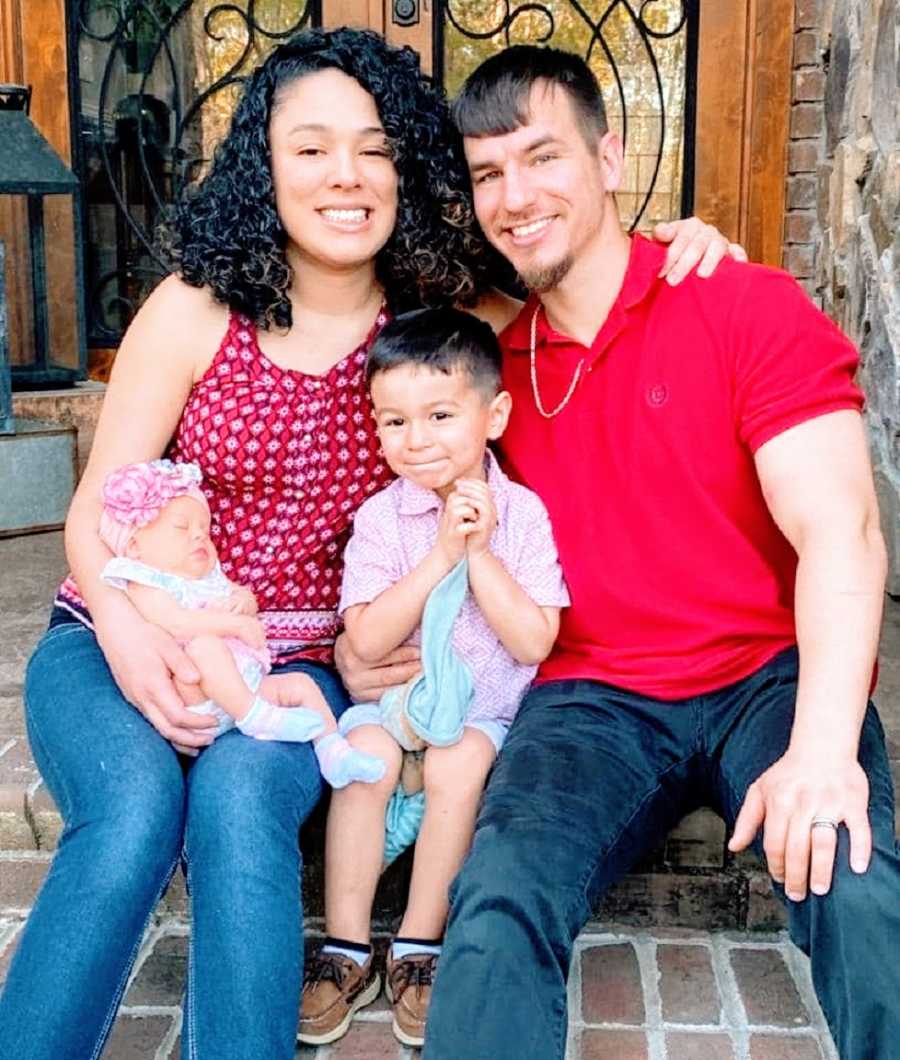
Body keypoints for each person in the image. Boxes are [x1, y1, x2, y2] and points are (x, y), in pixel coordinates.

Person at [0, 25, 739, 1060]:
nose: (346, 176)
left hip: (303, 673)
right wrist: (129, 638)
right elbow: (93, 512)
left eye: (377, 147)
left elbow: (580, 276)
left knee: (239, 813)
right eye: (311, 148)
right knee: (127, 818)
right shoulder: (193, 309)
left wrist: (683, 242)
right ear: (266, 163)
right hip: (120, 630)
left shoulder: (436, 325)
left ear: (408, 168)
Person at [333, 46, 900, 1060]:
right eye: (490, 172)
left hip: (767, 676)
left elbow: (844, 529)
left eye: (543, 156)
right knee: (497, 895)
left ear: (610, 157)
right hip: (590, 694)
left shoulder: (743, 303)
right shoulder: (486, 366)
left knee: (850, 875)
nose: (516, 195)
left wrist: (821, 750)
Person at [299, 307, 569, 1048]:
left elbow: (534, 638)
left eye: (440, 414)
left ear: (494, 414)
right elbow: (367, 633)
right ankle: (347, 947)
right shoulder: (382, 520)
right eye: (392, 422)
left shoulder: (522, 516)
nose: (414, 441)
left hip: (476, 715)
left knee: (462, 760)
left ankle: (419, 946)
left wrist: (479, 554)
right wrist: (438, 558)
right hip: (391, 709)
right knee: (364, 762)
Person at [97, 458, 385, 785]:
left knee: (301, 686)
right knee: (205, 647)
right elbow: (177, 624)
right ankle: (255, 716)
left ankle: (333, 751)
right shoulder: (146, 581)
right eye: (182, 528)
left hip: (242, 684)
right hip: (194, 693)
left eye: (204, 530)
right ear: (134, 545)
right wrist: (233, 626)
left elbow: (240, 594)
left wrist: (244, 601)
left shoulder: (207, 575)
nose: (198, 537)